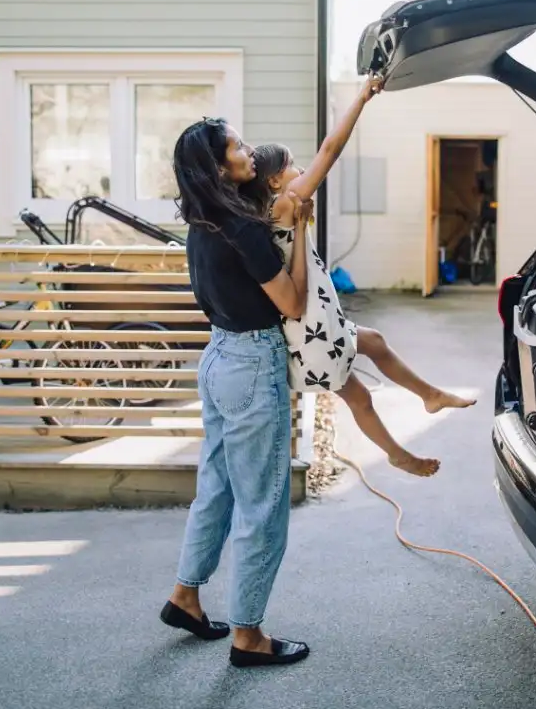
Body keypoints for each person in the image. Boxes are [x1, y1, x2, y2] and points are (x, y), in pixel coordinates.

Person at [241, 75, 475, 478]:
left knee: (369, 364)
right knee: (361, 388)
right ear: (275, 180)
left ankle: (424, 406)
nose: (302, 169)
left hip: (315, 324)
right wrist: (362, 98)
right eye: (292, 165)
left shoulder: (275, 209)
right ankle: (408, 435)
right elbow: (330, 150)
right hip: (311, 330)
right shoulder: (283, 203)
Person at [161, 117, 314, 668]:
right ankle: (249, 636)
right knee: (262, 506)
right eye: (237, 147)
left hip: (218, 357)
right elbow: (292, 303)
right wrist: (301, 233)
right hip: (251, 364)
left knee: (217, 488)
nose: (249, 151)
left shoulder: (201, 222)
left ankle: (186, 597)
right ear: (219, 167)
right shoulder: (243, 229)